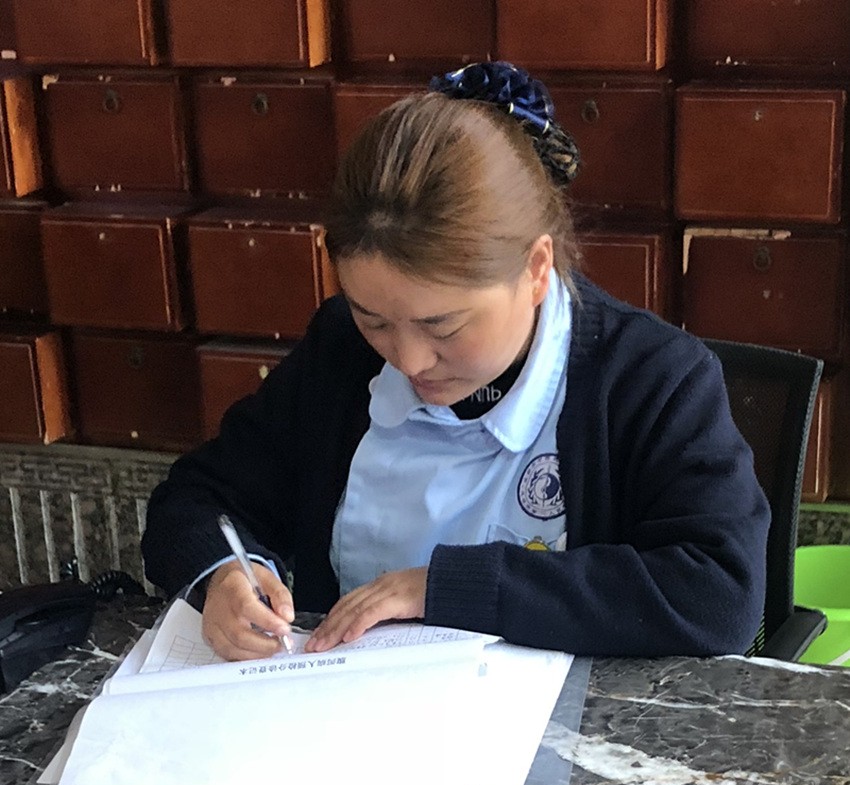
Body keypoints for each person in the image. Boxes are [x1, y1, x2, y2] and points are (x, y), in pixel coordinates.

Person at [141, 62, 769, 662]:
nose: (409, 359)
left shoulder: (651, 379)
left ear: (536, 269)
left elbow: (717, 594)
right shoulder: (342, 352)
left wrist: (441, 588)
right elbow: (197, 497)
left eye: (442, 325)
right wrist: (224, 571)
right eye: (373, 319)